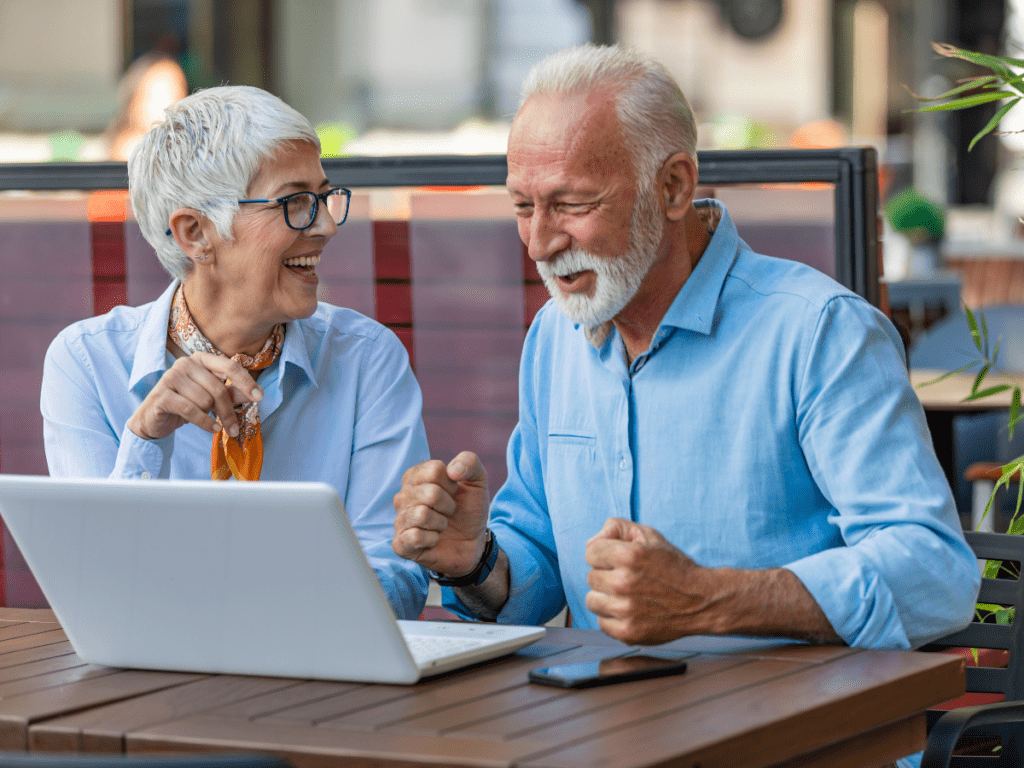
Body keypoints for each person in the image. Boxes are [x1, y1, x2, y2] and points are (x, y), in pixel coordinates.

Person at [393, 45, 979, 653]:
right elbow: (539, 563)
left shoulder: (819, 332)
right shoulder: (554, 336)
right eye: (522, 206)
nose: (539, 242)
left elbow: (934, 572)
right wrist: (473, 563)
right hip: (614, 730)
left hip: (798, 737)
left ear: (672, 187)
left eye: (572, 203)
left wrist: (708, 598)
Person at [42, 85, 430, 618]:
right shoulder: (86, 363)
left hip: (323, 684)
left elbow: (397, 580)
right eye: (294, 203)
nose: (325, 224)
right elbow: (95, 593)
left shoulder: (366, 360)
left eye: (323, 197)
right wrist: (145, 441)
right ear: (196, 233)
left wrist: (245, 611)